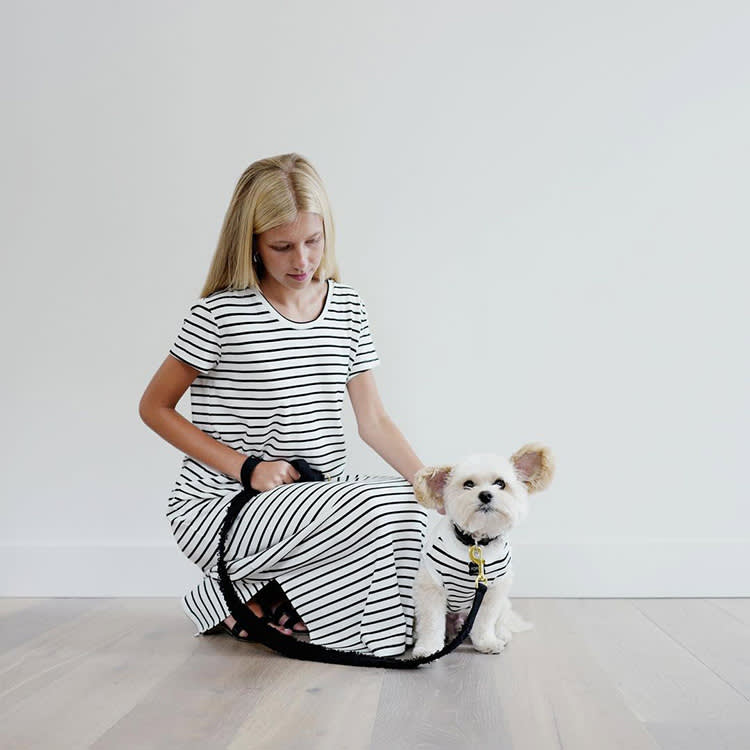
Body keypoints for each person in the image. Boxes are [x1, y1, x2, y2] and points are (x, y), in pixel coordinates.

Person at [139, 153, 429, 655]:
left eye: (313, 242)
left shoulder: (348, 307)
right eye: (282, 246)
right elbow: (154, 407)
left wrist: (430, 484)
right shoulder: (220, 313)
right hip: (223, 506)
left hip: (315, 501)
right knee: (380, 510)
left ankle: (250, 601)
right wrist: (245, 467)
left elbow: (375, 421)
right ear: (250, 244)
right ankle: (329, 624)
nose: (301, 261)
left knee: (411, 503)